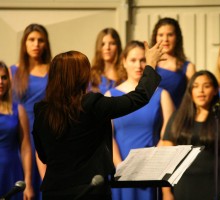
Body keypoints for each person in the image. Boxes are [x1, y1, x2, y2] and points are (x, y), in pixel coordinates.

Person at [32, 40, 164, 199]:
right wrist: (150, 65)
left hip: (53, 193)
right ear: (79, 76)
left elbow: (43, 156)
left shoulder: (41, 110)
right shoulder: (91, 104)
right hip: (89, 191)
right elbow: (139, 97)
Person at [105, 40, 174, 200]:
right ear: (123, 62)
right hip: (120, 171)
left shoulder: (162, 95)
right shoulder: (110, 96)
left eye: (143, 60)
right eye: (133, 60)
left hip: (152, 171)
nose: (139, 65)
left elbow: (168, 136)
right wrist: (120, 167)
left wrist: (151, 166)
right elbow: (107, 137)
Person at [161, 70, 220, 200]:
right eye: (195, 86)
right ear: (190, 91)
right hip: (182, 188)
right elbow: (166, 158)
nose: (200, 91)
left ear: (215, 90)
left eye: (206, 86)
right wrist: (166, 193)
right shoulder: (177, 118)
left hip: (216, 187)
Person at [9, 23, 52, 199]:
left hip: (48, 133)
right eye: (31, 39)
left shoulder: (53, 68)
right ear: (24, 43)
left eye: (40, 40)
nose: (36, 44)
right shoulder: (14, 71)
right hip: (22, 136)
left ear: (46, 44)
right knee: (24, 185)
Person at [0, 61, 34, 200]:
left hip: (12, 172)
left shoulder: (18, 110)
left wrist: (28, 182)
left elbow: (25, 148)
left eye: (4, 77)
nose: (0, 82)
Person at [151, 17, 196, 108]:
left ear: (177, 38)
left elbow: (194, 100)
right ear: (155, 38)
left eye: (170, 35)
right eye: (161, 35)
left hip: (176, 118)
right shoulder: (146, 64)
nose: (165, 39)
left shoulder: (188, 67)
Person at [90, 28, 123, 93]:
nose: (107, 48)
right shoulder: (91, 75)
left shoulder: (126, 73)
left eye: (112, 43)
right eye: (103, 44)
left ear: (118, 46)